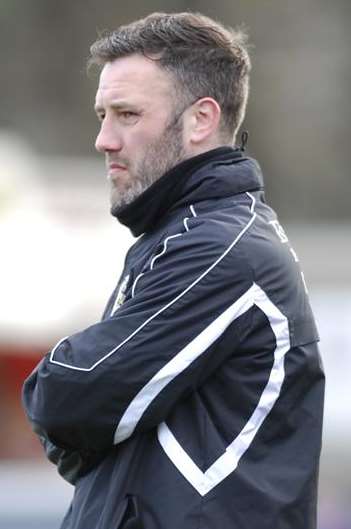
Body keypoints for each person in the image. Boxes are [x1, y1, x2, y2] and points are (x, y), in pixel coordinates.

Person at [22, 12, 325, 529]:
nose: (104, 140)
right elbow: (85, 423)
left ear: (201, 120)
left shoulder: (220, 247)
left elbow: (68, 397)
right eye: (102, 115)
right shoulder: (185, 235)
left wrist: (73, 408)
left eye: (127, 114)